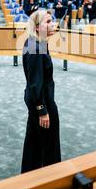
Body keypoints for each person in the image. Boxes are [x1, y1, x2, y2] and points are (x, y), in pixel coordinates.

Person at [21, 9, 61, 173]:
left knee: (33, 146)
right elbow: (35, 84)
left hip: (37, 102)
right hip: (43, 104)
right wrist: (42, 111)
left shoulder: (35, 43)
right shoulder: (36, 48)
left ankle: (28, 179)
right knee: (49, 149)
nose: (53, 24)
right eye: (48, 21)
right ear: (37, 27)